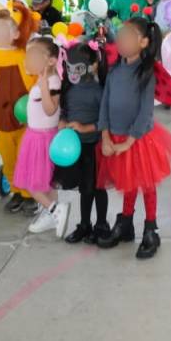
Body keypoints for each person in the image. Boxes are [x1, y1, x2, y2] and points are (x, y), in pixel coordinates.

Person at [95, 18, 171, 258]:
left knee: (145, 185)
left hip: (139, 139)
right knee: (127, 183)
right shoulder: (114, 70)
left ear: (143, 42)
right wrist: (105, 135)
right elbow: (105, 103)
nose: (121, 39)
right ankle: (125, 224)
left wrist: (130, 141)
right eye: (120, 34)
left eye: (128, 35)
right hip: (114, 137)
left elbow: (146, 111)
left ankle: (151, 229)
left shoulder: (146, 72)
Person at [0, 3, 37, 214]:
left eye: (4, 30)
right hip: (2, 121)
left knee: (26, 158)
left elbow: (35, 85)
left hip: (25, 121)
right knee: (9, 159)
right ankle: (16, 191)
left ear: (15, 33)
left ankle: (30, 195)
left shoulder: (24, 56)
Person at [14, 36, 71, 236]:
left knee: (32, 184)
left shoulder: (52, 81)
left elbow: (50, 110)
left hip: (42, 138)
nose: (28, 60)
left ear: (51, 61)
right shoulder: (43, 80)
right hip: (35, 135)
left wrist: (44, 87)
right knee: (47, 183)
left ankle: (55, 209)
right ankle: (50, 214)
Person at [54, 40, 109, 244]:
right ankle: (84, 225)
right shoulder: (68, 88)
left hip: (94, 147)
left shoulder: (99, 91)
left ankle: (101, 224)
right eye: (69, 67)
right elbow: (65, 110)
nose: (72, 72)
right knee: (84, 189)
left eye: (77, 68)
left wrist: (86, 128)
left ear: (93, 66)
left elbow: (106, 120)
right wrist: (62, 120)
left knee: (98, 187)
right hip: (76, 148)